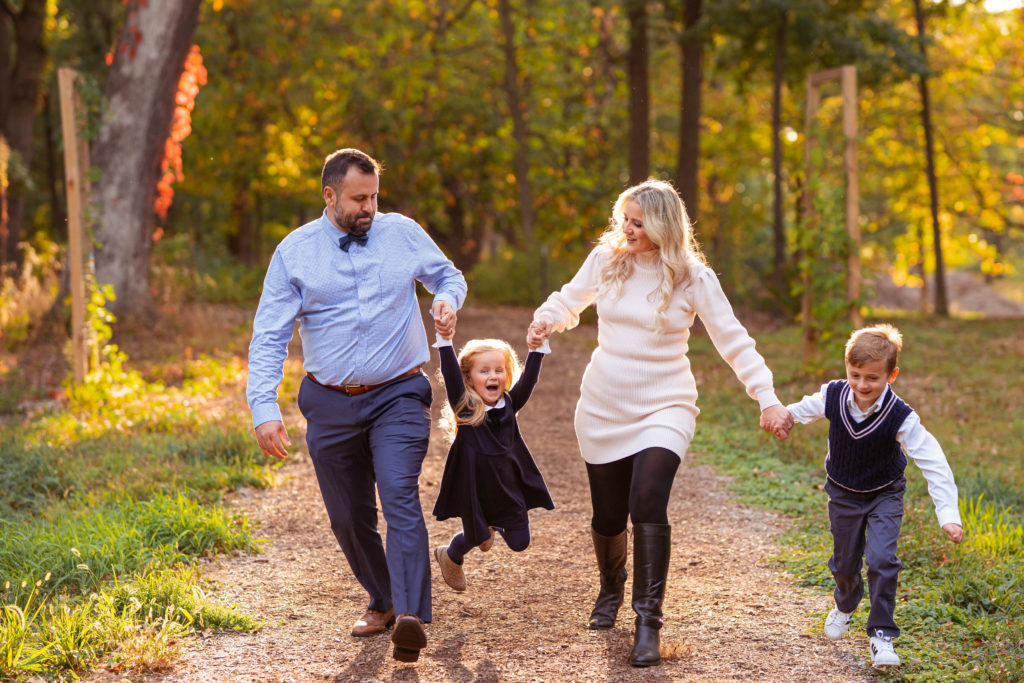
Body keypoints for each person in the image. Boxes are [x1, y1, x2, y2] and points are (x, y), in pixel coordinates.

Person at [527, 179, 792, 667]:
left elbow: (733, 340)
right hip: (603, 404)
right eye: (623, 219)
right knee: (608, 516)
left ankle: (647, 621)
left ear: (663, 225)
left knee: (647, 499)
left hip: (665, 404)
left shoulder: (693, 277)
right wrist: (548, 317)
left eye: (637, 222)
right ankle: (611, 590)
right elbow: (570, 300)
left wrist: (767, 398)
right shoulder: (608, 260)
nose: (626, 229)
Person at [246, 148, 467, 664]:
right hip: (329, 400)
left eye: (374, 196)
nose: (369, 207)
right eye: (358, 199)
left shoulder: (403, 233)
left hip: (399, 393)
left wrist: (446, 301)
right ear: (330, 196)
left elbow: (448, 275)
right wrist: (264, 406)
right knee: (348, 517)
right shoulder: (295, 252)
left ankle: (410, 616)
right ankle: (385, 598)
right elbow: (269, 336)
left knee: (398, 493)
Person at [773, 323, 963, 669]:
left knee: (881, 560)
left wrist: (948, 514)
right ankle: (846, 603)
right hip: (843, 493)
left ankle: (881, 634)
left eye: (872, 378)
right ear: (847, 369)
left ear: (892, 376)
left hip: (884, 495)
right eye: (855, 374)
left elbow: (933, 460)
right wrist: (783, 417)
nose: (862, 385)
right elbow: (801, 409)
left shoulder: (901, 417)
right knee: (844, 563)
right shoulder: (832, 395)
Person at [430, 329, 555, 593]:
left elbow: (529, 381)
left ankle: (494, 522)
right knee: (478, 536)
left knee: (520, 542)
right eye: (484, 371)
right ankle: (450, 554)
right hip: (474, 487)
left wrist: (536, 349)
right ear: (469, 378)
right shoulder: (465, 407)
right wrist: (445, 340)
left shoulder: (509, 403)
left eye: (499, 370)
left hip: (507, 485)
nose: (493, 376)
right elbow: (451, 375)